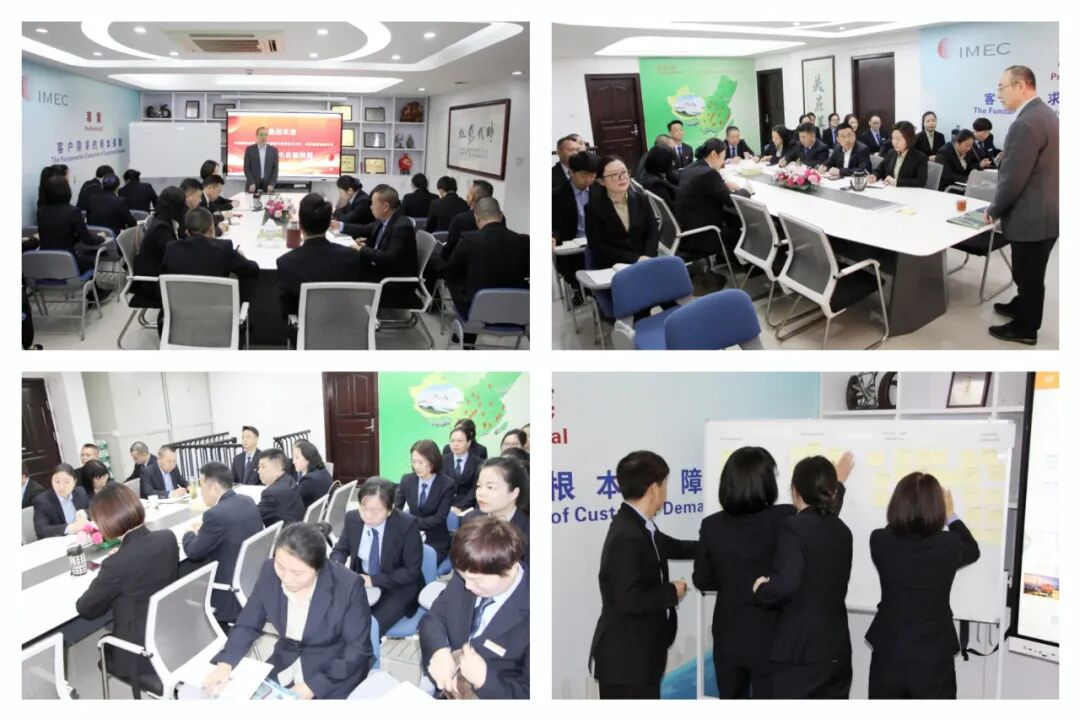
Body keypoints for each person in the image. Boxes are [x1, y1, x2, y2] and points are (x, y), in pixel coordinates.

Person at [694, 448, 852, 699]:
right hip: (772, 638)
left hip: (729, 635)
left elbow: (702, 579)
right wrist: (836, 484)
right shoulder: (785, 517)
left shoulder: (711, 525)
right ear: (767, 482)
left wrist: (732, 581)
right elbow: (820, 520)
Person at [203, 522, 373, 699]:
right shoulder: (269, 571)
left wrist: (313, 687)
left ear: (318, 568)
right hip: (287, 659)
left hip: (333, 671)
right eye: (280, 566)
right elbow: (247, 622)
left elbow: (357, 651)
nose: (286, 578)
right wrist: (225, 663)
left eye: (297, 573)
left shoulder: (348, 585)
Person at [590, 450, 698, 699]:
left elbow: (670, 546)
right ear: (653, 488)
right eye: (665, 483)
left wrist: (713, 545)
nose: (666, 490)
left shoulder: (639, 524)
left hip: (639, 657)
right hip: (626, 663)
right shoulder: (627, 536)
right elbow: (629, 600)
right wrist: (672, 591)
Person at [867, 472, 980, 698]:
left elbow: (892, 530)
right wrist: (951, 516)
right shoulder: (949, 544)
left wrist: (905, 515)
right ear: (937, 508)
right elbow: (973, 549)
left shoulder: (879, 540)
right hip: (934, 654)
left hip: (889, 653)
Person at [752, 456, 854, 699]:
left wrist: (761, 589)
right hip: (836, 649)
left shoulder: (793, 527)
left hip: (800, 654)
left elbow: (786, 585)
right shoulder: (842, 530)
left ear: (795, 490)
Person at [76, 484, 179, 697]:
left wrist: (117, 561)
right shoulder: (167, 537)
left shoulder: (116, 565)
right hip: (171, 631)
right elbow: (141, 561)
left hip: (139, 652)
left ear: (107, 522)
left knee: (104, 645)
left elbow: (86, 609)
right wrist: (122, 554)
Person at [985, 65, 1059, 345]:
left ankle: (1026, 328)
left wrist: (994, 209)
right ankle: (1021, 305)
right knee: (1029, 271)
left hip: (1031, 216)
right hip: (1047, 211)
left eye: (1001, 87)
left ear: (1021, 85)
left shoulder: (1025, 123)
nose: (999, 94)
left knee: (1029, 275)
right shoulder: (1047, 114)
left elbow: (1013, 178)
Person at [420, 515, 529, 699]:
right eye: (463, 577)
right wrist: (439, 652)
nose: (468, 586)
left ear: (510, 569)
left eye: (477, 580)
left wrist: (484, 680)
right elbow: (433, 619)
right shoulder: (469, 574)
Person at [331, 477, 423, 635]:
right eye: (363, 509)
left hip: (398, 587)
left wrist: (373, 580)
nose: (368, 516)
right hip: (363, 583)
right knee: (338, 620)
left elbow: (411, 571)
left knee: (369, 628)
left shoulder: (407, 525)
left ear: (390, 509)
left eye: (376, 511)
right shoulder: (353, 518)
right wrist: (337, 566)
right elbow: (340, 550)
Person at [181, 462, 264, 626]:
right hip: (251, 580)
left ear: (214, 488)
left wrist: (189, 533)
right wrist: (205, 530)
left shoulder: (215, 515)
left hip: (228, 591)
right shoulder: (247, 501)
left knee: (182, 570)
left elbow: (193, 551)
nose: (200, 492)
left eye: (202, 486)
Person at [440, 198, 529, 339]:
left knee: (454, 277)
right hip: (517, 311)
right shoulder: (524, 241)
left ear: (477, 218)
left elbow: (451, 270)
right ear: (501, 216)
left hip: (476, 312)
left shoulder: (468, 240)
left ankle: (467, 337)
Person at [276, 193, 365, 321]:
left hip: (306, 329)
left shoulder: (286, 262)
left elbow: (288, 309)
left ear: (300, 225)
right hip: (346, 325)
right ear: (329, 224)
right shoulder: (351, 256)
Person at [337, 186, 419, 308]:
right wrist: (339, 226)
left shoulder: (401, 227)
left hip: (393, 283)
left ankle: (349, 309)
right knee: (347, 267)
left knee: (347, 274)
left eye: (373, 203)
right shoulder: (384, 220)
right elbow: (364, 229)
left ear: (385, 206)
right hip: (381, 271)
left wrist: (362, 249)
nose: (370, 207)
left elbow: (389, 257)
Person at [676, 139, 750, 261]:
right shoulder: (709, 173)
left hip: (686, 228)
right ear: (714, 154)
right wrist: (745, 190)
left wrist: (722, 185)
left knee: (732, 219)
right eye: (723, 158)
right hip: (704, 234)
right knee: (740, 228)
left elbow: (707, 188)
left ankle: (725, 257)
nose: (722, 162)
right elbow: (731, 201)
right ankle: (736, 260)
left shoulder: (692, 167)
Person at [584, 155, 659, 268]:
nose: (622, 177)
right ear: (601, 181)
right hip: (613, 266)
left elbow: (653, 232)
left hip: (645, 262)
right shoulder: (594, 208)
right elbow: (597, 246)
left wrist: (647, 257)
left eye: (624, 172)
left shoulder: (641, 199)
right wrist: (634, 259)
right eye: (614, 174)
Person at [160, 208, 259, 290]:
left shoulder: (171, 248)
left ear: (187, 231)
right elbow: (253, 269)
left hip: (179, 306)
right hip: (218, 306)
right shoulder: (223, 248)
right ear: (211, 229)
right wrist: (240, 257)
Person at [394, 439, 455, 562]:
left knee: (421, 564)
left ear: (433, 461)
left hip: (435, 539)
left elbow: (439, 518)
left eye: (421, 462)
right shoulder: (407, 480)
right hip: (410, 536)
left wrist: (409, 523)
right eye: (414, 461)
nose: (416, 466)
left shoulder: (447, 484)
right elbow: (396, 510)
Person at [464, 456, 530, 564]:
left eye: (490, 487)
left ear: (514, 493)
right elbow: (460, 563)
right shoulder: (470, 519)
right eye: (479, 486)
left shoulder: (529, 530)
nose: (480, 493)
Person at [34, 175, 104, 272]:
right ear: (67, 191)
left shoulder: (41, 212)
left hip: (45, 263)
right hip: (67, 262)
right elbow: (88, 240)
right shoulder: (73, 211)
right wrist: (101, 237)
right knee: (90, 262)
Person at [551, 150, 596, 300]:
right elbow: (555, 224)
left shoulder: (599, 190)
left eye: (592, 175)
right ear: (571, 173)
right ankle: (584, 292)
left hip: (598, 243)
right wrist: (552, 236)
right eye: (584, 175)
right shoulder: (557, 195)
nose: (589, 180)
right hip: (573, 247)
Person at [131, 186, 186, 309]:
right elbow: (174, 256)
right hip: (153, 283)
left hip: (156, 274)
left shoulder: (161, 218)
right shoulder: (161, 228)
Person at [441, 179, 498, 260]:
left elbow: (449, 250)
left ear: (471, 198)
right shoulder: (499, 218)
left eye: (468, 193)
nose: (466, 195)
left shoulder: (459, 220)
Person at [33, 463, 91, 538]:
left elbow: (95, 511)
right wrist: (70, 528)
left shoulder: (80, 492)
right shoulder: (42, 501)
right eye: (57, 482)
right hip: (59, 541)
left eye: (66, 482)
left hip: (83, 537)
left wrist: (85, 512)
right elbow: (41, 530)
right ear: (51, 481)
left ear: (74, 482)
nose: (61, 487)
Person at [256, 448, 305, 527]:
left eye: (263, 467)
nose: (259, 471)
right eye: (259, 467)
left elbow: (254, 516)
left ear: (277, 468)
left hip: (285, 533)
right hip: (298, 528)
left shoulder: (271, 494)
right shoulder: (289, 479)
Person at [874, 121, 929, 188]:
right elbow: (880, 169)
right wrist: (874, 176)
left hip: (909, 193)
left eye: (898, 139)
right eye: (893, 138)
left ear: (909, 139)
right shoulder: (891, 153)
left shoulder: (920, 158)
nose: (895, 142)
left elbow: (921, 182)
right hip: (891, 190)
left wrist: (896, 182)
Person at [444, 425, 482, 514]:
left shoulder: (478, 463)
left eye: (460, 441)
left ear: (468, 443)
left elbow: (475, 488)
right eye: (452, 441)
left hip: (468, 508)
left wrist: (460, 507)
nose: (455, 444)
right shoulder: (442, 460)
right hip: (445, 506)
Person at [293, 439, 333, 509]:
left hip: (315, 513)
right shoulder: (322, 470)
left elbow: (293, 500)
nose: (293, 461)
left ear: (308, 458)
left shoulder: (309, 480)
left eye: (297, 458)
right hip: (325, 509)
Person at [243, 126, 278, 193]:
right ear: (257, 136)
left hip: (268, 186)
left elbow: (275, 169)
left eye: (265, 135)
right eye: (261, 134)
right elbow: (246, 168)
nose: (263, 137)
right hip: (252, 186)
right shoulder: (249, 150)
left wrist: (271, 184)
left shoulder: (273, 150)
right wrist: (251, 182)